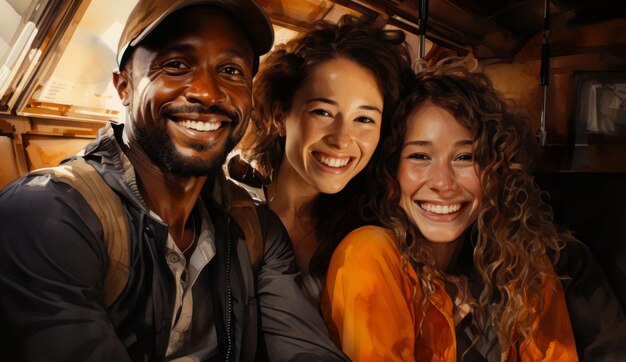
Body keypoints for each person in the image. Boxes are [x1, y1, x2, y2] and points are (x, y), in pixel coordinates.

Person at [0, 1, 347, 361]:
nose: (208, 93)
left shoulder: (256, 229)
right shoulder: (45, 217)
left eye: (230, 70)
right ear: (123, 87)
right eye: (177, 65)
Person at [322, 61, 626, 361]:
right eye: (419, 155)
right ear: (390, 170)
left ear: (495, 173)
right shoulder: (368, 255)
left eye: (465, 157)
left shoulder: (523, 265)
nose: (443, 182)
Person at [235, 16, 414, 306]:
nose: (342, 139)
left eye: (364, 119)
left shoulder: (384, 233)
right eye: (323, 112)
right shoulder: (233, 213)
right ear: (280, 116)